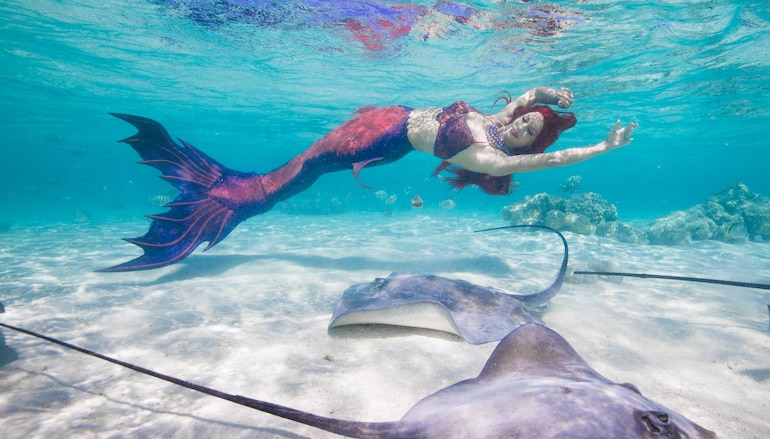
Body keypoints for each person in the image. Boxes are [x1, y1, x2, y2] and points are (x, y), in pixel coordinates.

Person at [101, 86, 637, 271]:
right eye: (525, 119)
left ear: (523, 146)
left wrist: (602, 148)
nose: (522, 122)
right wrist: (549, 97)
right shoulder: (499, 123)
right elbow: (526, 94)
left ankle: (225, 199)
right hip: (389, 116)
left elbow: (549, 161)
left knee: (295, 173)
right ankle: (229, 192)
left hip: (377, 139)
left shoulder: (493, 157)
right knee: (298, 170)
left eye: (529, 129)